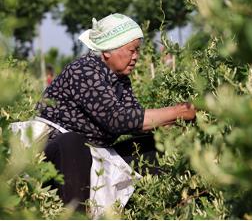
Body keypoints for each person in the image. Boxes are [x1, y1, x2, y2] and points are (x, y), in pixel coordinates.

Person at [35, 13, 196, 213]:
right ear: (108, 51)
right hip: (59, 157)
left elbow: (134, 119)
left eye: (138, 50)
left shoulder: (120, 79)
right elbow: (118, 120)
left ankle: (160, 206)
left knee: (156, 146)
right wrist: (179, 110)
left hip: (95, 157)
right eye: (132, 50)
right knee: (73, 141)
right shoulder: (85, 70)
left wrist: (170, 124)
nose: (136, 56)